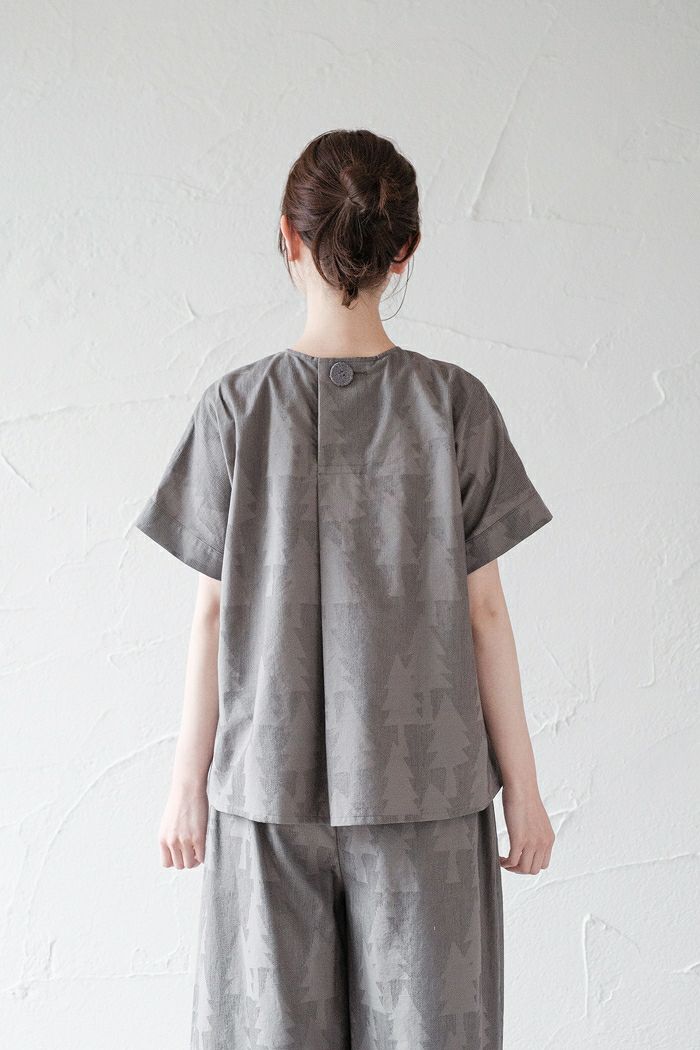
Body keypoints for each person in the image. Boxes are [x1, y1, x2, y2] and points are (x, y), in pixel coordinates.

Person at [134, 128, 556, 1050]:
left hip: (265, 789)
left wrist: (184, 785)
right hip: (427, 789)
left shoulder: (236, 409)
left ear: (287, 237)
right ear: (406, 250)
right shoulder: (454, 405)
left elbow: (210, 615)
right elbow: (487, 613)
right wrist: (524, 790)